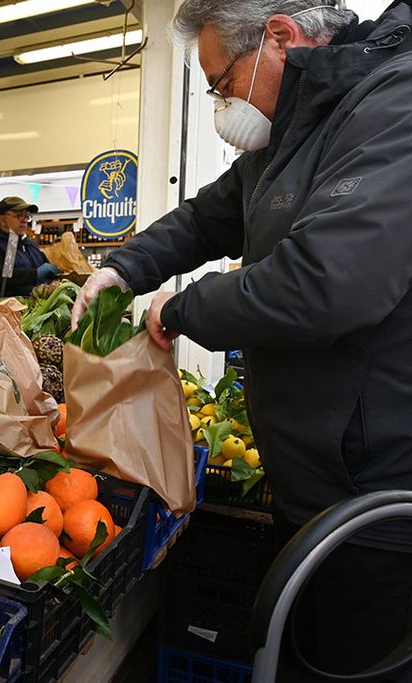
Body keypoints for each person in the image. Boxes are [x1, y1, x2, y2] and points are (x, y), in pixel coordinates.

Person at [72, 1, 412, 679]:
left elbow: (328, 281)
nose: (220, 103)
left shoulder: (389, 109)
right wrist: (123, 268)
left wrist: (182, 309)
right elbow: (206, 218)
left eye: (222, 83)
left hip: (378, 506)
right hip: (308, 487)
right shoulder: (286, 130)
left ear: (279, 38)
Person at [0, 196, 60, 300]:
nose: (25, 220)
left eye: (27, 216)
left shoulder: (28, 245)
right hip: (3, 312)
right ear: (3, 220)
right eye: (19, 216)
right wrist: (34, 274)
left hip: (34, 308)